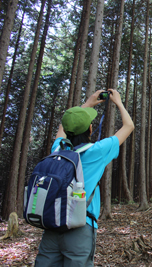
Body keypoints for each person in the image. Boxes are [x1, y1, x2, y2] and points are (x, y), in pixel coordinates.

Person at [35, 89, 134, 267]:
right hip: (81, 225)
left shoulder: (58, 150)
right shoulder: (96, 151)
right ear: (90, 128)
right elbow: (128, 126)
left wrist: (87, 104)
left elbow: (62, 130)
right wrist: (118, 102)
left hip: (52, 225)